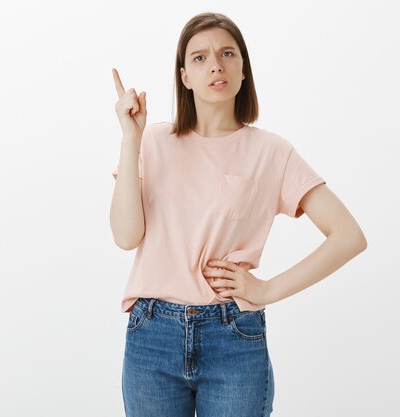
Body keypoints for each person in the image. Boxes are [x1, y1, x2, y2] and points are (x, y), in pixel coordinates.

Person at [110, 12, 367, 417]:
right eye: (200, 57)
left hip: (232, 336)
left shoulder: (272, 152)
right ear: (184, 76)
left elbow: (349, 236)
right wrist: (130, 140)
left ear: (242, 70)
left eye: (227, 53)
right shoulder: (153, 140)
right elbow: (126, 236)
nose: (215, 64)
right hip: (152, 335)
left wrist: (266, 290)